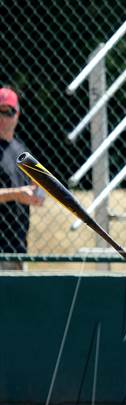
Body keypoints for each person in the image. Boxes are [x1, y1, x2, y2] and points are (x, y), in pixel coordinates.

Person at [0, 87, 44, 270]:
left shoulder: (22, 152)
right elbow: (19, 193)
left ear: (17, 114)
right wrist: (17, 194)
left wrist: (39, 194)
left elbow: (38, 188)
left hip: (18, 246)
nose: (3, 118)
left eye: (8, 111)